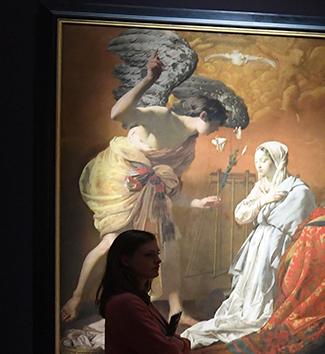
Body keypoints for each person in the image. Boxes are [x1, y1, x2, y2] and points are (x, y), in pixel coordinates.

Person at [62, 52, 223, 325]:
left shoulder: (188, 146)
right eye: (217, 125)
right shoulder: (163, 117)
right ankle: (76, 297)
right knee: (111, 244)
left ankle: (176, 311)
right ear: (205, 115)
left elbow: (169, 186)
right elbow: (118, 113)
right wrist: (148, 79)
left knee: (170, 247)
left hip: (154, 195)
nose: (217, 131)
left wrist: (197, 203)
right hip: (125, 183)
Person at [183, 142, 315, 347]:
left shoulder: (298, 189)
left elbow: (296, 220)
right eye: (256, 161)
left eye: (264, 161)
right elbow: (241, 215)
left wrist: (264, 215)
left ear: (277, 161)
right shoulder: (262, 187)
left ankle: (270, 313)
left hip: (281, 244)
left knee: (269, 282)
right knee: (253, 286)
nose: (258, 165)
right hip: (259, 244)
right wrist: (263, 201)